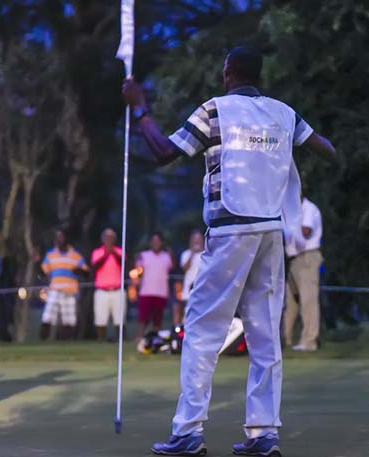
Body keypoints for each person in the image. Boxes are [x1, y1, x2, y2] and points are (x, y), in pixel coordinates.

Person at [122, 45, 335, 456]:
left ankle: (188, 432)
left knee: (202, 330)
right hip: (271, 232)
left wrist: (140, 108)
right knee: (264, 335)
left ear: (227, 73)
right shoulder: (283, 113)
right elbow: (326, 149)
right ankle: (263, 433)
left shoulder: (215, 110)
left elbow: (166, 151)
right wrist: (285, 143)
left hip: (231, 228)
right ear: (258, 74)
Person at [283, 196, 323, 351]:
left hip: (307, 257)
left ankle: (309, 341)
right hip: (293, 259)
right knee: (290, 303)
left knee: (308, 300)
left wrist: (285, 229)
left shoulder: (308, 208)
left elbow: (306, 230)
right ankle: (285, 339)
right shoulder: (290, 210)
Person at [40, 229, 89, 340]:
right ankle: (43, 340)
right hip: (54, 289)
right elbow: (44, 270)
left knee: (69, 319)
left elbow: (86, 271)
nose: (59, 239)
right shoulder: (51, 254)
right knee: (47, 316)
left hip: (70, 291)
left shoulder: (75, 255)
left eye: (61, 237)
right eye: (57, 237)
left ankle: (67, 342)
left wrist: (78, 271)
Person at [135, 232, 174, 339]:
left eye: (158, 241)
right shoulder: (143, 255)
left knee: (157, 319)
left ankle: (155, 339)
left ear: (161, 243)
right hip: (146, 291)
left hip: (161, 293)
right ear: (150, 243)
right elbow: (138, 271)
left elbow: (172, 267)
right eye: (154, 241)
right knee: (143, 318)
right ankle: (139, 338)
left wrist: (171, 253)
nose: (155, 243)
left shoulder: (166, 256)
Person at [91, 228, 126, 341]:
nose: (108, 240)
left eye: (111, 238)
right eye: (106, 237)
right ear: (102, 239)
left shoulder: (120, 251)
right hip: (102, 290)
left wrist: (113, 252)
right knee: (100, 318)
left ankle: (119, 340)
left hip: (117, 290)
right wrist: (106, 254)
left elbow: (124, 264)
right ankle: (101, 339)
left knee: (119, 319)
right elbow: (95, 266)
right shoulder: (97, 252)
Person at [174, 230, 205, 326]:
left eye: (199, 239)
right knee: (188, 314)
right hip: (188, 290)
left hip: (202, 289)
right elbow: (184, 268)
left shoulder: (207, 254)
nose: (196, 242)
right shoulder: (186, 254)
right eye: (194, 239)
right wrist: (192, 253)